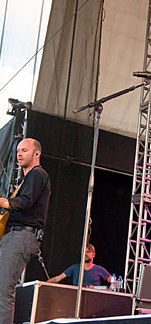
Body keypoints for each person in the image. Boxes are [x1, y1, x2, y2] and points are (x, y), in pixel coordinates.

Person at [0, 138, 51, 324]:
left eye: (24, 150)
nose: (19, 154)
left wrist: (4, 202)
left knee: (3, 289)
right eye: (18, 150)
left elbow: (25, 202)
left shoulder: (37, 174)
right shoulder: (26, 179)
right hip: (15, 235)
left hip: (22, 235)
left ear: (36, 153)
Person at [47, 243, 112, 288]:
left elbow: (114, 282)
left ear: (93, 255)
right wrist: (43, 284)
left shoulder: (99, 269)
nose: (86, 254)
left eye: (88, 252)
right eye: (84, 252)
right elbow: (57, 278)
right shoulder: (75, 268)